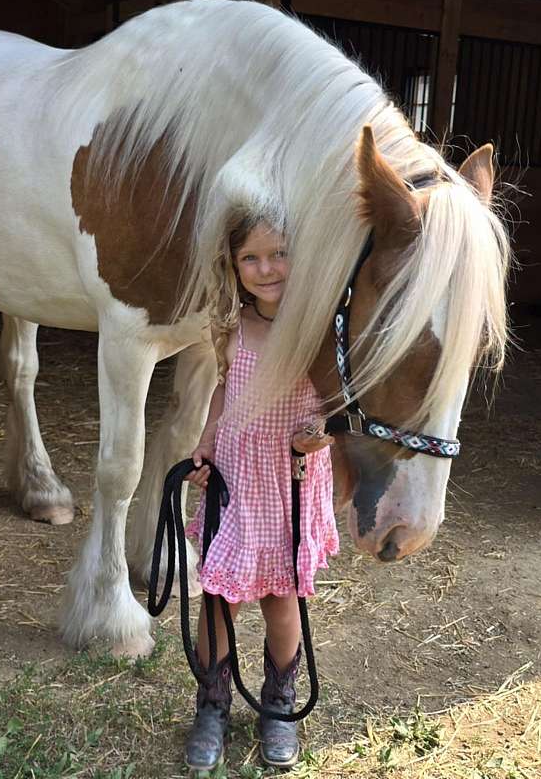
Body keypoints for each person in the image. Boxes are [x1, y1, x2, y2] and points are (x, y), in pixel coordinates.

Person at [184, 216, 339, 772]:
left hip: (287, 484)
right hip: (236, 477)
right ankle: (213, 704)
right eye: (251, 258)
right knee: (218, 599)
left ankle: (277, 704)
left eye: (278, 254)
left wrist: (317, 437)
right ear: (234, 266)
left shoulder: (317, 325)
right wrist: (204, 443)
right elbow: (225, 386)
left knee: (281, 600)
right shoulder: (231, 324)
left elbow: (335, 401)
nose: (266, 268)